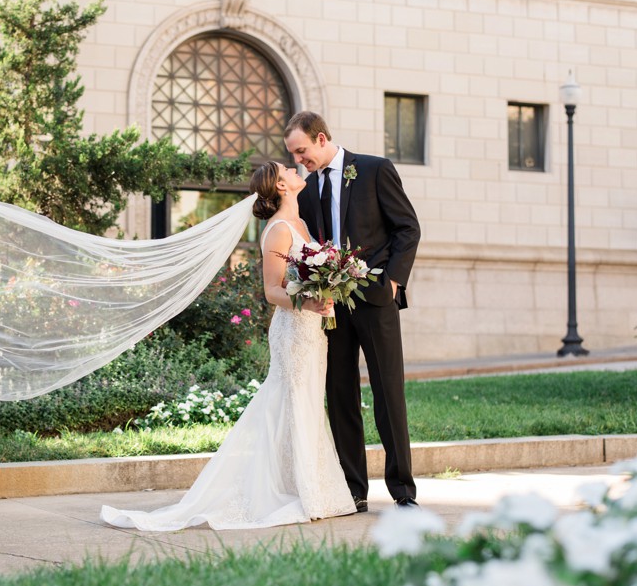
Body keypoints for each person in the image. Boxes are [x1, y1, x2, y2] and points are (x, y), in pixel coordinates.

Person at [100, 161, 356, 530]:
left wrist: (325, 292)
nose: (295, 167)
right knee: (292, 400)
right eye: (288, 168)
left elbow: (302, 277)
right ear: (282, 186)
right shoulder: (279, 231)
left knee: (308, 402)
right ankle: (302, 491)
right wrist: (310, 302)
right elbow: (272, 292)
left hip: (312, 330)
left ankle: (307, 487)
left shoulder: (301, 224)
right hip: (293, 330)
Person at [284, 110, 421, 510]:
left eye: (303, 151)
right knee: (340, 393)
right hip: (330, 308)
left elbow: (407, 228)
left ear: (322, 139)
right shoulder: (307, 192)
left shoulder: (376, 170)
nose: (299, 161)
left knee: (388, 393)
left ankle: (403, 490)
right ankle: (353, 489)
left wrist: (392, 282)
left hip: (377, 301)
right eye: (294, 155)